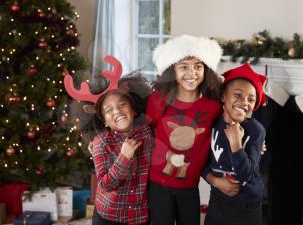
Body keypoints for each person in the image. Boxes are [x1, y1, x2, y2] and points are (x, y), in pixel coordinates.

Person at [146, 34, 223, 225]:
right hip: (158, 183)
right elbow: (146, 131)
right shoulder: (158, 99)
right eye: (184, 67)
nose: (192, 72)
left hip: (190, 185)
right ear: (173, 71)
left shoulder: (213, 107)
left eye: (198, 66)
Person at [203, 64, 267, 225]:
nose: (244, 102)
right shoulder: (211, 123)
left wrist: (236, 144)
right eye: (237, 95)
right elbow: (199, 160)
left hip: (247, 206)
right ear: (224, 96)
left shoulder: (256, 131)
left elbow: (247, 174)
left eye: (251, 99)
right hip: (217, 200)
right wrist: (214, 181)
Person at [91, 87, 154, 225]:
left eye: (122, 105)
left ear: (134, 111)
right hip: (109, 216)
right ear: (105, 121)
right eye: (109, 110)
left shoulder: (147, 133)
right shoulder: (101, 142)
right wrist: (124, 157)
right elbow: (105, 185)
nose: (117, 111)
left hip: (139, 215)